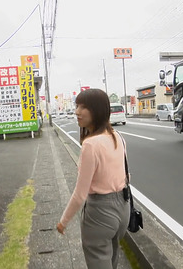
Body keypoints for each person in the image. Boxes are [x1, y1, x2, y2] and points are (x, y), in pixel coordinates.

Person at [56, 89, 130, 269]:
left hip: (99, 212)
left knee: (98, 260)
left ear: (97, 110)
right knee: (112, 258)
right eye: (77, 106)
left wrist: (63, 221)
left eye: (84, 107)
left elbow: (80, 194)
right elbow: (127, 176)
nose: (77, 112)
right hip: (123, 208)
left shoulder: (91, 144)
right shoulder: (117, 136)